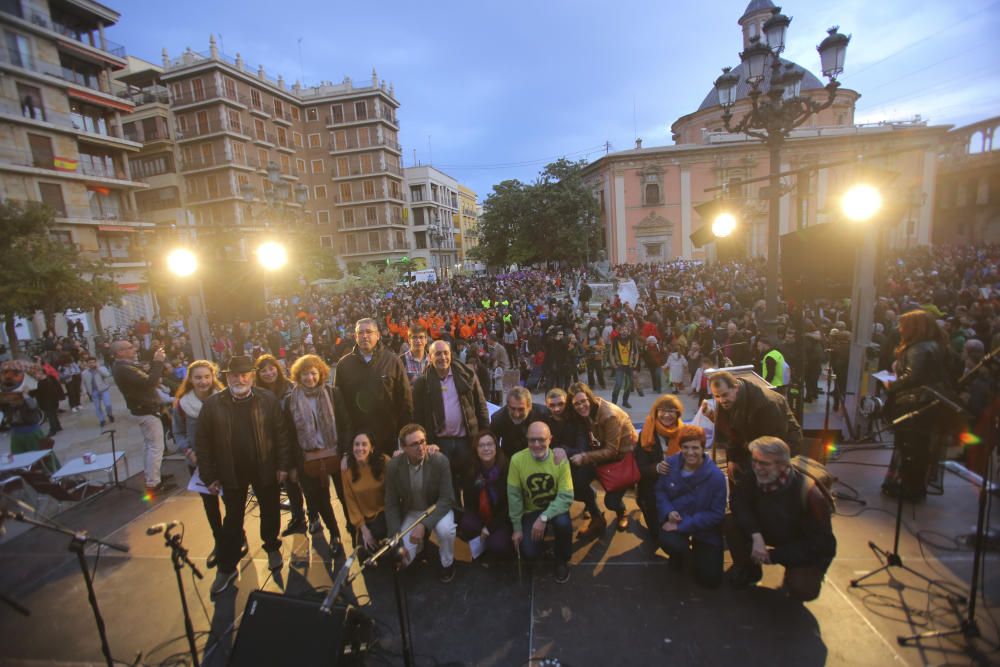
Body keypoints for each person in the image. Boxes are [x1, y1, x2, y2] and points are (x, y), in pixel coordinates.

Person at [195, 355, 293, 597]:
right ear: (227, 377)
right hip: (231, 472)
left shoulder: (267, 399)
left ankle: (271, 547)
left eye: (244, 374)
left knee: (270, 510)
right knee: (232, 521)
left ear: (251, 376)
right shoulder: (212, 405)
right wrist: (209, 476)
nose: (240, 379)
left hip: (264, 467)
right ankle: (226, 569)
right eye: (234, 375)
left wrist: (282, 464)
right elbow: (203, 444)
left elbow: (280, 434)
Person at [726, 437, 836, 601]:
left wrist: (774, 556)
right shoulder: (753, 475)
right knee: (730, 522)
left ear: (783, 465)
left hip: (798, 541)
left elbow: (822, 545)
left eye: (764, 464)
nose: (757, 467)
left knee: (803, 588)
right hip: (768, 528)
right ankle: (749, 569)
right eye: (754, 461)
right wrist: (755, 535)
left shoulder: (811, 495)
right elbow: (738, 502)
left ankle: (795, 575)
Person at [172, 360, 240, 569]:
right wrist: (188, 450)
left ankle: (238, 538)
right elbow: (178, 433)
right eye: (198, 377)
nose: (202, 381)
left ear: (213, 377)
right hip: (199, 463)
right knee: (210, 506)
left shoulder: (225, 399)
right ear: (190, 379)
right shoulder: (182, 405)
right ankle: (219, 543)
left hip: (226, 461)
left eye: (206, 377)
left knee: (232, 503)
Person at [881, 309, 957, 500]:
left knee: (910, 447)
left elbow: (912, 377)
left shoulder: (919, 348)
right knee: (920, 448)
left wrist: (890, 383)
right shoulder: (938, 345)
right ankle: (914, 486)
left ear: (914, 328)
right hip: (929, 403)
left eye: (903, 326)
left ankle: (909, 489)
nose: (899, 329)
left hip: (914, 403)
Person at [285, 354, 353, 557]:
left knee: (344, 495)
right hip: (308, 459)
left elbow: (345, 424)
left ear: (321, 373)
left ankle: (353, 527)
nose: (309, 378)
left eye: (313, 373)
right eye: (305, 374)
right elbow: (288, 434)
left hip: (336, 453)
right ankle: (334, 533)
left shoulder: (333, 393)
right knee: (321, 500)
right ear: (298, 376)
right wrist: (293, 464)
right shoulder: (291, 400)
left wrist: (346, 453)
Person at [412, 340, 490, 500]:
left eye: (445, 353)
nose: (442, 357)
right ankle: (455, 520)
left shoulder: (467, 375)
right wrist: (424, 442)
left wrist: (484, 434)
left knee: (470, 482)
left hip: (466, 440)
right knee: (448, 486)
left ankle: (470, 519)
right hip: (439, 443)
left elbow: (480, 405)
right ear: (430, 357)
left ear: (451, 355)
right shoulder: (423, 382)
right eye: (437, 354)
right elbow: (418, 416)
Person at [384, 424, 458, 582]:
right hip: (412, 510)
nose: (420, 447)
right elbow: (391, 504)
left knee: (446, 531)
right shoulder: (393, 466)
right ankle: (420, 549)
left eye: (423, 441)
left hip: (436, 508)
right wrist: (395, 537)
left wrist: (424, 525)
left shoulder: (440, 461)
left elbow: (447, 499)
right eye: (414, 444)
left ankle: (447, 563)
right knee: (404, 558)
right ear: (403, 448)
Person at [655, 425, 726, 588]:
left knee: (710, 580)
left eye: (695, 447)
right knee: (668, 540)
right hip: (676, 519)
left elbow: (716, 514)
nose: (690, 452)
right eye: (685, 447)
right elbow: (660, 491)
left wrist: (682, 525)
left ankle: (700, 554)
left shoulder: (716, 477)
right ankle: (680, 555)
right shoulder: (670, 464)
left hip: (702, 526)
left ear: (703, 448)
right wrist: (668, 511)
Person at [702, 370, 802, 485]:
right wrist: (733, 459)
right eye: (717, 396)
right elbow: (732, 432)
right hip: (753, 445)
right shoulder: (727, 399)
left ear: (736, 388)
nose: (721, 400)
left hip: (779, 449)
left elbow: (774, 446)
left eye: (724, 395)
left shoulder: (766, 404)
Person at [334, 318, 413, 458]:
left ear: (378, 335)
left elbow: (405, 401)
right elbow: (339, 405)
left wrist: (403, 438)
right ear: (355, 336)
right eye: (360, 333)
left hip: (388, 438)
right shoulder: (344, 365)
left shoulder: (392, 361)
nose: (365, 336)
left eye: (369, 332)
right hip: (357, 441)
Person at [507, 421, 574, 584]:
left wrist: (544, 517)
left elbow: (566, 496)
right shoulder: (517, 460)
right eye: (532, 440)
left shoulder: (560, 459)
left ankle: (562, 559)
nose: (536, 444)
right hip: (531, 511)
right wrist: (516, 528)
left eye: (541, 440)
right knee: (529, 553)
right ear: (526, 439)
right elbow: (514, 496)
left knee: (564, 524)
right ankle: (543, 546)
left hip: (555, 508)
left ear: (550, 439)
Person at [567, 381, 639, 532]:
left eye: (583, 401)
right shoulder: (584, 414)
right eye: (576, 404)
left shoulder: (609, 415)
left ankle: (621, 511)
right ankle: (595, 513)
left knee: (611, 502)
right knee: (576, 482)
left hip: (620, 460)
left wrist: (584, 457)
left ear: (590, 398)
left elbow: (612, 450)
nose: (580, 406)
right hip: (600, 455)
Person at [254, 354, 309, 537]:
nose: (269, 373)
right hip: (273, 445)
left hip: (294, 441)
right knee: (288, 483)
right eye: (264, 371)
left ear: (278, 369)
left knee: (300, 479)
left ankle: (314, 514)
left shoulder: (291, 388)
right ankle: (298, 516)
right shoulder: (257, 393)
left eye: (271, 369)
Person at [111, 340, 175, 494]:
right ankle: (153, 484)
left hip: (142, 408)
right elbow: (150, 382)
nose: (134, 349)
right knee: (155, 447)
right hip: (145, 410)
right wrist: (158, 362)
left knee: (149, 445)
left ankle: (152, 477)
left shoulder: (123, 367)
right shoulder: (123, 368)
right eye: (129, 348)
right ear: (119, 352)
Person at [545, 388, 602, 537]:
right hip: (556, 463)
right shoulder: (545, 421)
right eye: (552, 405)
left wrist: (563, 450)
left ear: (567, 403)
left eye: (561, 404)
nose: (557, 409)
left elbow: (582, 448)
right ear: (547, 406)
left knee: (579, 483)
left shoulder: (576, 420)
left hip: (579, 462)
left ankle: (597, 517)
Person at [458, 431, 514, 560]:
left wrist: (489, 527)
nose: (486, 448)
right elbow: (468, 502)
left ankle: (495, 542)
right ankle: (481, 544)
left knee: (498, 546)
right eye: (481, 445)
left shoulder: (507, 468)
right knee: (466, 523)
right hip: (481, 515)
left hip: (501, 518)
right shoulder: (471, 469)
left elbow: (509, 505)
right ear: (476, 450)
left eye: (490, 444)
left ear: (496, 447)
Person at [634, 394, 685, 537]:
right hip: (652, 483)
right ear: (656, 412)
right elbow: (640, 466)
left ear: (678, 413)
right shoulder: (646, 433)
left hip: (678, 482)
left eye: (672, 411)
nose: (667, 415)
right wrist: (656, 468)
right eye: (662, 410)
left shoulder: (684, 432)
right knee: (656, 529)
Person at [341, 431, 390, 556]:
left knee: (377, 533)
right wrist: (363, 529)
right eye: (356, 445)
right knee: (363, 553)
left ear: (372, 448)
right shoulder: (347, 469)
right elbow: (350, 501)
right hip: (365, 519)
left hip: (384, 512)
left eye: (364, 444)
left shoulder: (384, 461)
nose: (360, 448)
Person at [489, 386, 551, 457]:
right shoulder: (498, 419)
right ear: (507, 406)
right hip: (510, 457)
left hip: (538, 455)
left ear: (529, 407)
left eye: (521, 409)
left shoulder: (543, 414)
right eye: (513, 409)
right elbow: (492, 445)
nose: (516, 414)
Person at [609, 323, 641, 407]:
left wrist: (635, 363)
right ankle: (614, 401)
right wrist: (614, 364)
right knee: (618, 384)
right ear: (619, 331)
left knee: (628, 385)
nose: (624, 331)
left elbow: (636, 353)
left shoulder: (632, 340)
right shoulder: (615, 340)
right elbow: (611, 353)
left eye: (626, 329)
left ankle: (625, 401)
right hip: (619, 365)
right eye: (622, 329)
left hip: (629, 365)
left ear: (629, 332)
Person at [81, 357, 114, 427]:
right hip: (93, 391)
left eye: (93, 362)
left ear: (96, 362)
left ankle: (110, 414)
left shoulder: (101, 368)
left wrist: (98, 369)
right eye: (90, 363)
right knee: (97, 406)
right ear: (87, 364)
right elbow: (83, 383)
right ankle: (102, 419)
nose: (92, 364)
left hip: (103, 389)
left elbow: (107, 375)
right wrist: (84, 392)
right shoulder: (84, 373)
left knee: (108, 404)